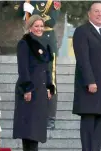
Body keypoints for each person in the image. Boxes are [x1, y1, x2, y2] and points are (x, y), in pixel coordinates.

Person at [72, 1, 101, 151]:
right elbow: (83, 59)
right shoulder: (82, 31)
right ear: (89, 14)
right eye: (97, 11)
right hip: (89, 88)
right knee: (88, 126)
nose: (100, 14)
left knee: (99, 127)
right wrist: (90, 81)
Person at [16, 0, 61, 129]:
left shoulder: (53, 2)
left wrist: (33, 11)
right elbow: (21, 16)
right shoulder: (29, 1)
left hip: (47, 42)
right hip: (32, 42)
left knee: (50, 80)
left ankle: (50, 117)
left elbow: (51, 21)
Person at [12, 15, 55, 151]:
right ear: (30, 27)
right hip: (29, 91)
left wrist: (49, 86)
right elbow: (23, 68)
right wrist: (27, 89)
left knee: (36, 131)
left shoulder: (45, 43)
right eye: (36, 26)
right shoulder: (24, 43)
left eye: (41, 26)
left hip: (41, 92)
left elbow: (47, 69)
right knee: (28, 130)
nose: (39, 29)